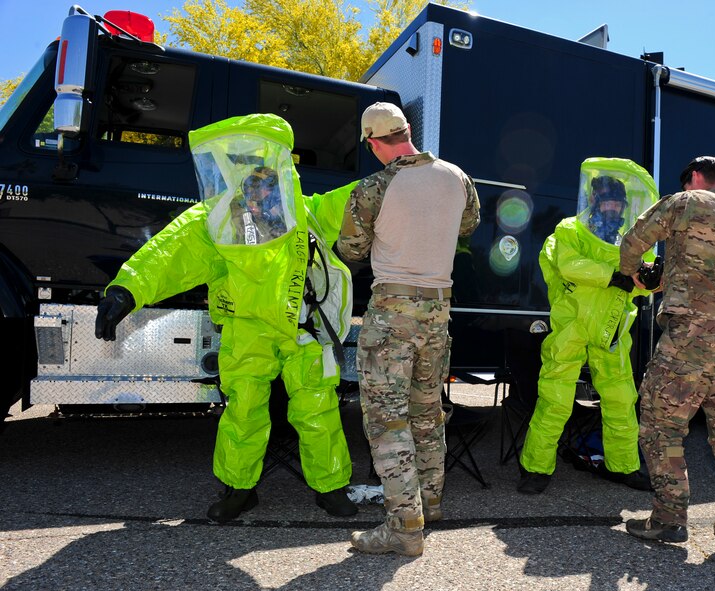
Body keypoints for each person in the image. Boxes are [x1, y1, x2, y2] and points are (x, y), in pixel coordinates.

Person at [94, 114, 359, 523]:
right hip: (247, 330)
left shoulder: (306, 213)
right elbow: (170, 253)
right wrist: (126, 289)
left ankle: (331, 488)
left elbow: (358, 201)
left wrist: (398, 179)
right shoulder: (217, 222)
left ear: (282, 179)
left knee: (316, 409)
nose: (259, 193)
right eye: (252, 185)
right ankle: (239, 489)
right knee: (243, 411)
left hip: (302, 329)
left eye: (267, 185)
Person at [338, 102, 480, 556]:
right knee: (425, 411)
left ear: (374, 142)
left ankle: (404, 527)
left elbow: (352, 249)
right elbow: (468, 226)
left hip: (393, 313)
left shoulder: (374, 187)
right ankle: (430, 501)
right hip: (438, 313)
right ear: (408, 132)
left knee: (387, 418)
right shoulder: (458, 177)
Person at [620, 156, 715, 551]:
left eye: (687, 180)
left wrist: (633, 271)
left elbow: (635, 239)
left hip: (692, 335)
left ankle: (668, 518)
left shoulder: (686, 202)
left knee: (659, 420)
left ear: (696, 178)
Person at [518, 157, 658, 495]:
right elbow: (569, 265)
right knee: (556, 397)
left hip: (612, 328)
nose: (612, 207)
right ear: (593, 200)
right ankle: (536, 468)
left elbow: (644, 278)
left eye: (618, 202)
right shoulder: (569, 230)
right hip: (572, 327)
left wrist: (651, 280)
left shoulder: (631, 240)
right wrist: (613, 276)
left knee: (622, 398)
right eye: (607, 200)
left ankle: (623, 465)